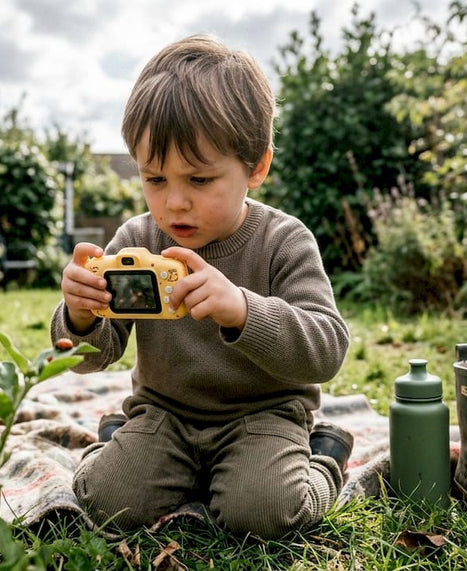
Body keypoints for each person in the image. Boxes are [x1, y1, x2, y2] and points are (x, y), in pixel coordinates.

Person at [50, 34, 352, 539]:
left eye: (200, 180)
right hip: (164, 414)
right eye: (155, 179)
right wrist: (80, 316)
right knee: (109, 502)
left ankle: (323, 456)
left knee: (259, 512)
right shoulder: (135, 239)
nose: (174, 204)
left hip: (263, 415)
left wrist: (243, 310)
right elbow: (89, 358)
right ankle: (120, 440)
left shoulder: (283, 241)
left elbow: (327, 350)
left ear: (256, 167)